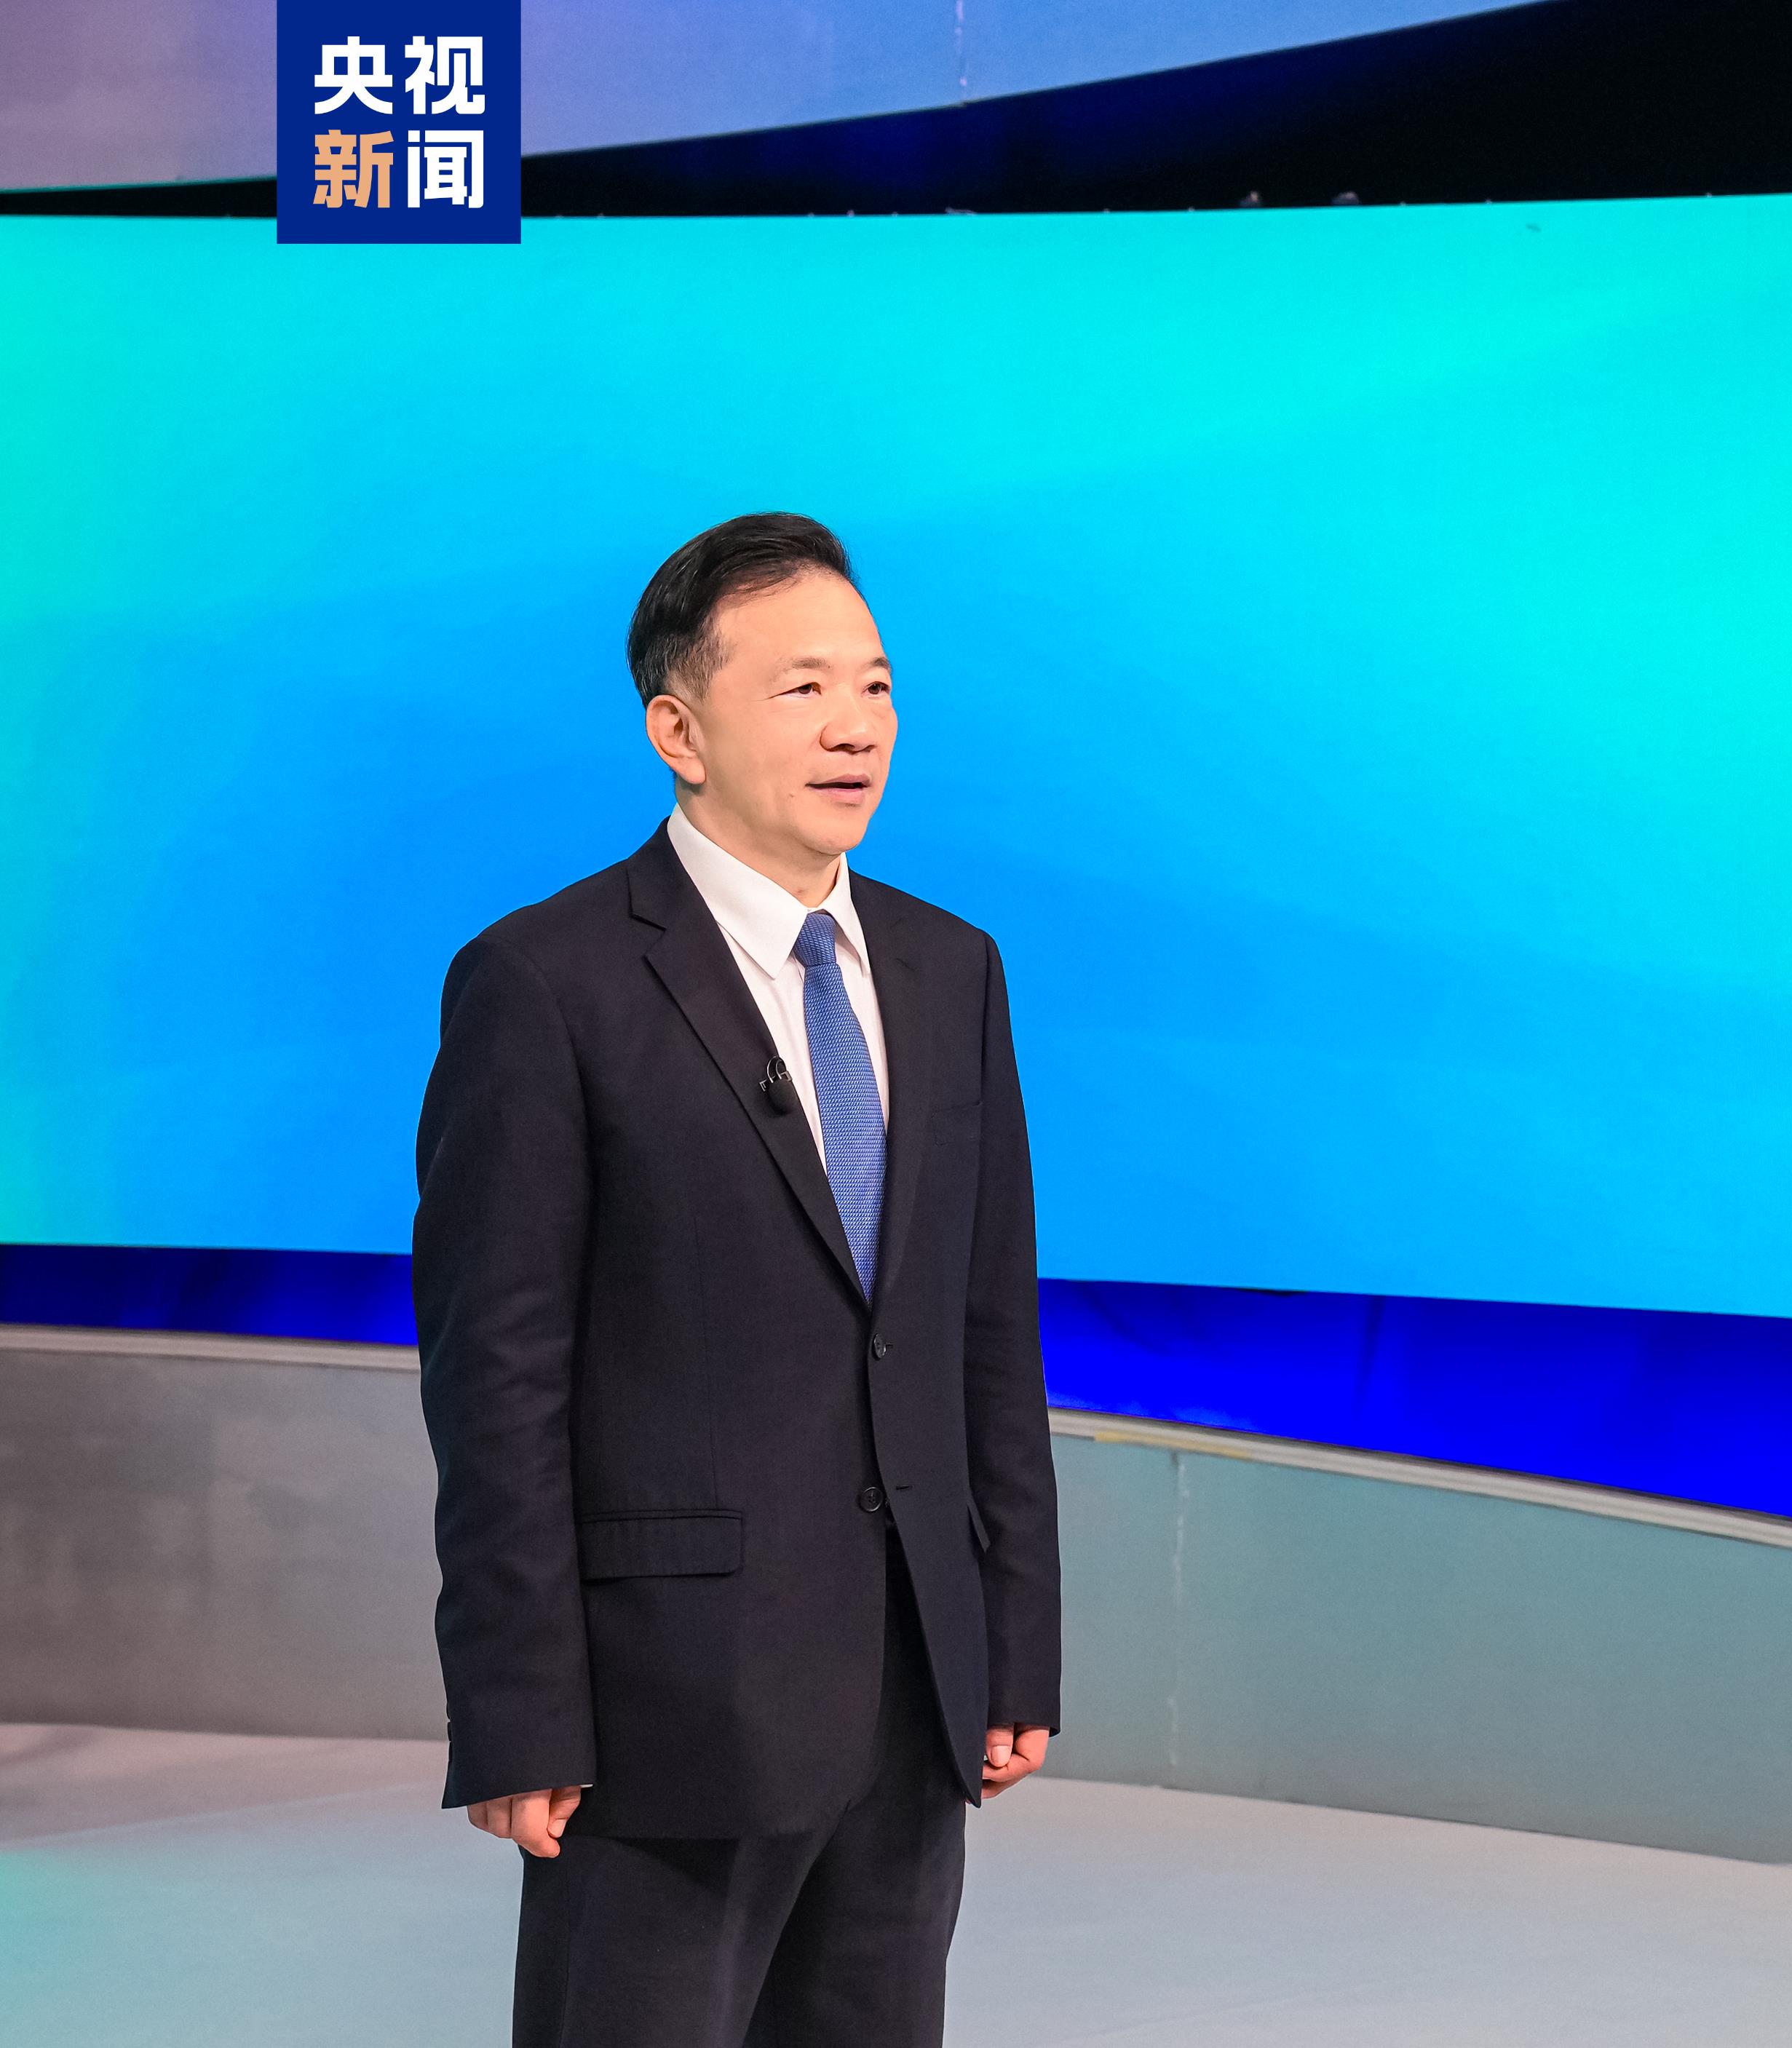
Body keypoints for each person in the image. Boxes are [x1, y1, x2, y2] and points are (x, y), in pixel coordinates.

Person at [413, 512, 1062, 2048]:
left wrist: (1010, 1637)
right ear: (677, 730)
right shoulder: (545, 980)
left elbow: (984, 1330)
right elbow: (496, 1376)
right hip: (665, 1708)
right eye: (801, 691)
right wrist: (520, 1706)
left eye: (877, 689)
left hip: (908, 1692)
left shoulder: (949, 968)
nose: (854, 729)